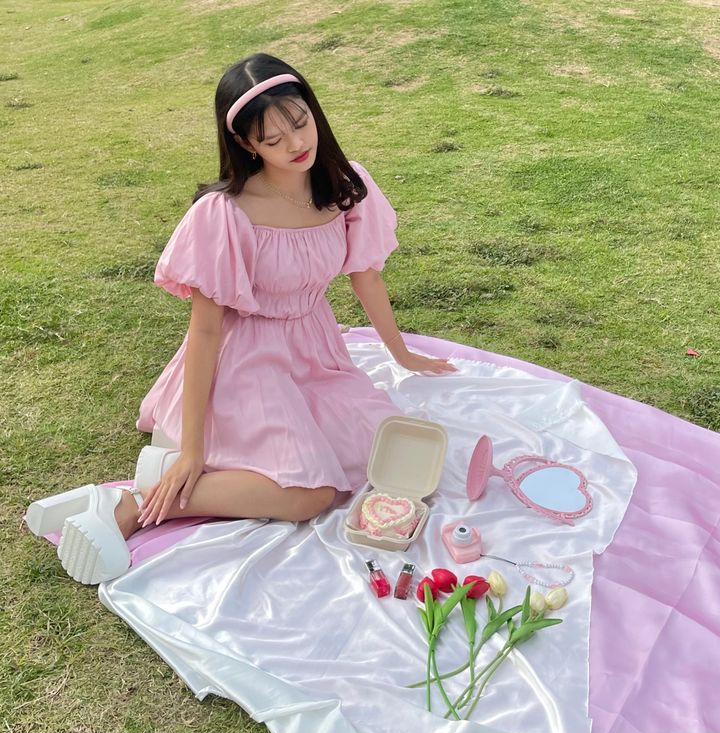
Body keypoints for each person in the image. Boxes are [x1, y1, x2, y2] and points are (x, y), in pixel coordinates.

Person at [26, 52, 457, 584]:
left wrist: (401, 352)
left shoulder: (345, 185)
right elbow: (206, 330)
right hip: (247, 361)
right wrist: (192, 449)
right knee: (310, 495)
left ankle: (174, 480)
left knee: (380, 455)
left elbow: (366, 276)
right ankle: (133, 502)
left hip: (314, 351)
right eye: (272, 139)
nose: (295, 145)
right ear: (247, 145)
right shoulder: (225, 213)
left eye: (299, 123)